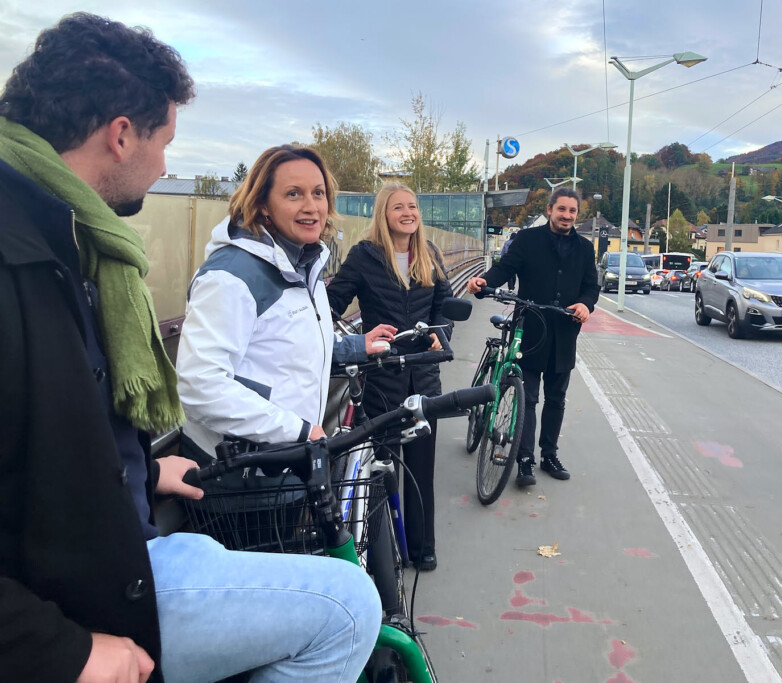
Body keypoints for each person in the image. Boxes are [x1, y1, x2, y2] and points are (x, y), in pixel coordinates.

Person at [0, 14, 379, 683]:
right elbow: (199, 383)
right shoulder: (27, 256)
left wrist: (143, 472)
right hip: (86, 595)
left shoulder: (70, 241)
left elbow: (54, 428)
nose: (167, 165)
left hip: (117, 541)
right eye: (164, 141)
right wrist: (63, 651)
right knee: (347, 607)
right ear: (121, 135)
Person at [176, 144, 396, 461]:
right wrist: (298, 431)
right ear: (264, 204)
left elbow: (287, 344)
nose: (311, 206)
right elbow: (200, 386)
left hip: (286, 463)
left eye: (318, 194)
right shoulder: (230, 277)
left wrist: (357, 346)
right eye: (294, 194)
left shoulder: (303, 264)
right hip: (244, 477)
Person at [326, 182, 453, 572]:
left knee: (421, 467)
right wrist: (357, 340)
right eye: (399, 207)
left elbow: (444, 304)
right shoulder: (365, 256)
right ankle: (382, 552)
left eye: (413, 206)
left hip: (423, 380)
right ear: (384, 214)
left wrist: (440, 331)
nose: (408, 213)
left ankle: (421, 546)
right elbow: (331, 303)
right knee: (381, 468)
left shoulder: (428, 254)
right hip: (381, 377)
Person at [466, 187, 599, 488]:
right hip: (529, 329)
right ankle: (524, 459)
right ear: (550, 209)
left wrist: (586, 304)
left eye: (572, 211)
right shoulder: (528, 240)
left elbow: (592, 287)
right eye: (561, 209)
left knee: (556, 399)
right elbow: (504, 268)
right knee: (527, 397)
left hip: (564, 333)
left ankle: (549, 455)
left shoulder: (584, 248)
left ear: (577, 215)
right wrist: (483, 281)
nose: (566, 215)